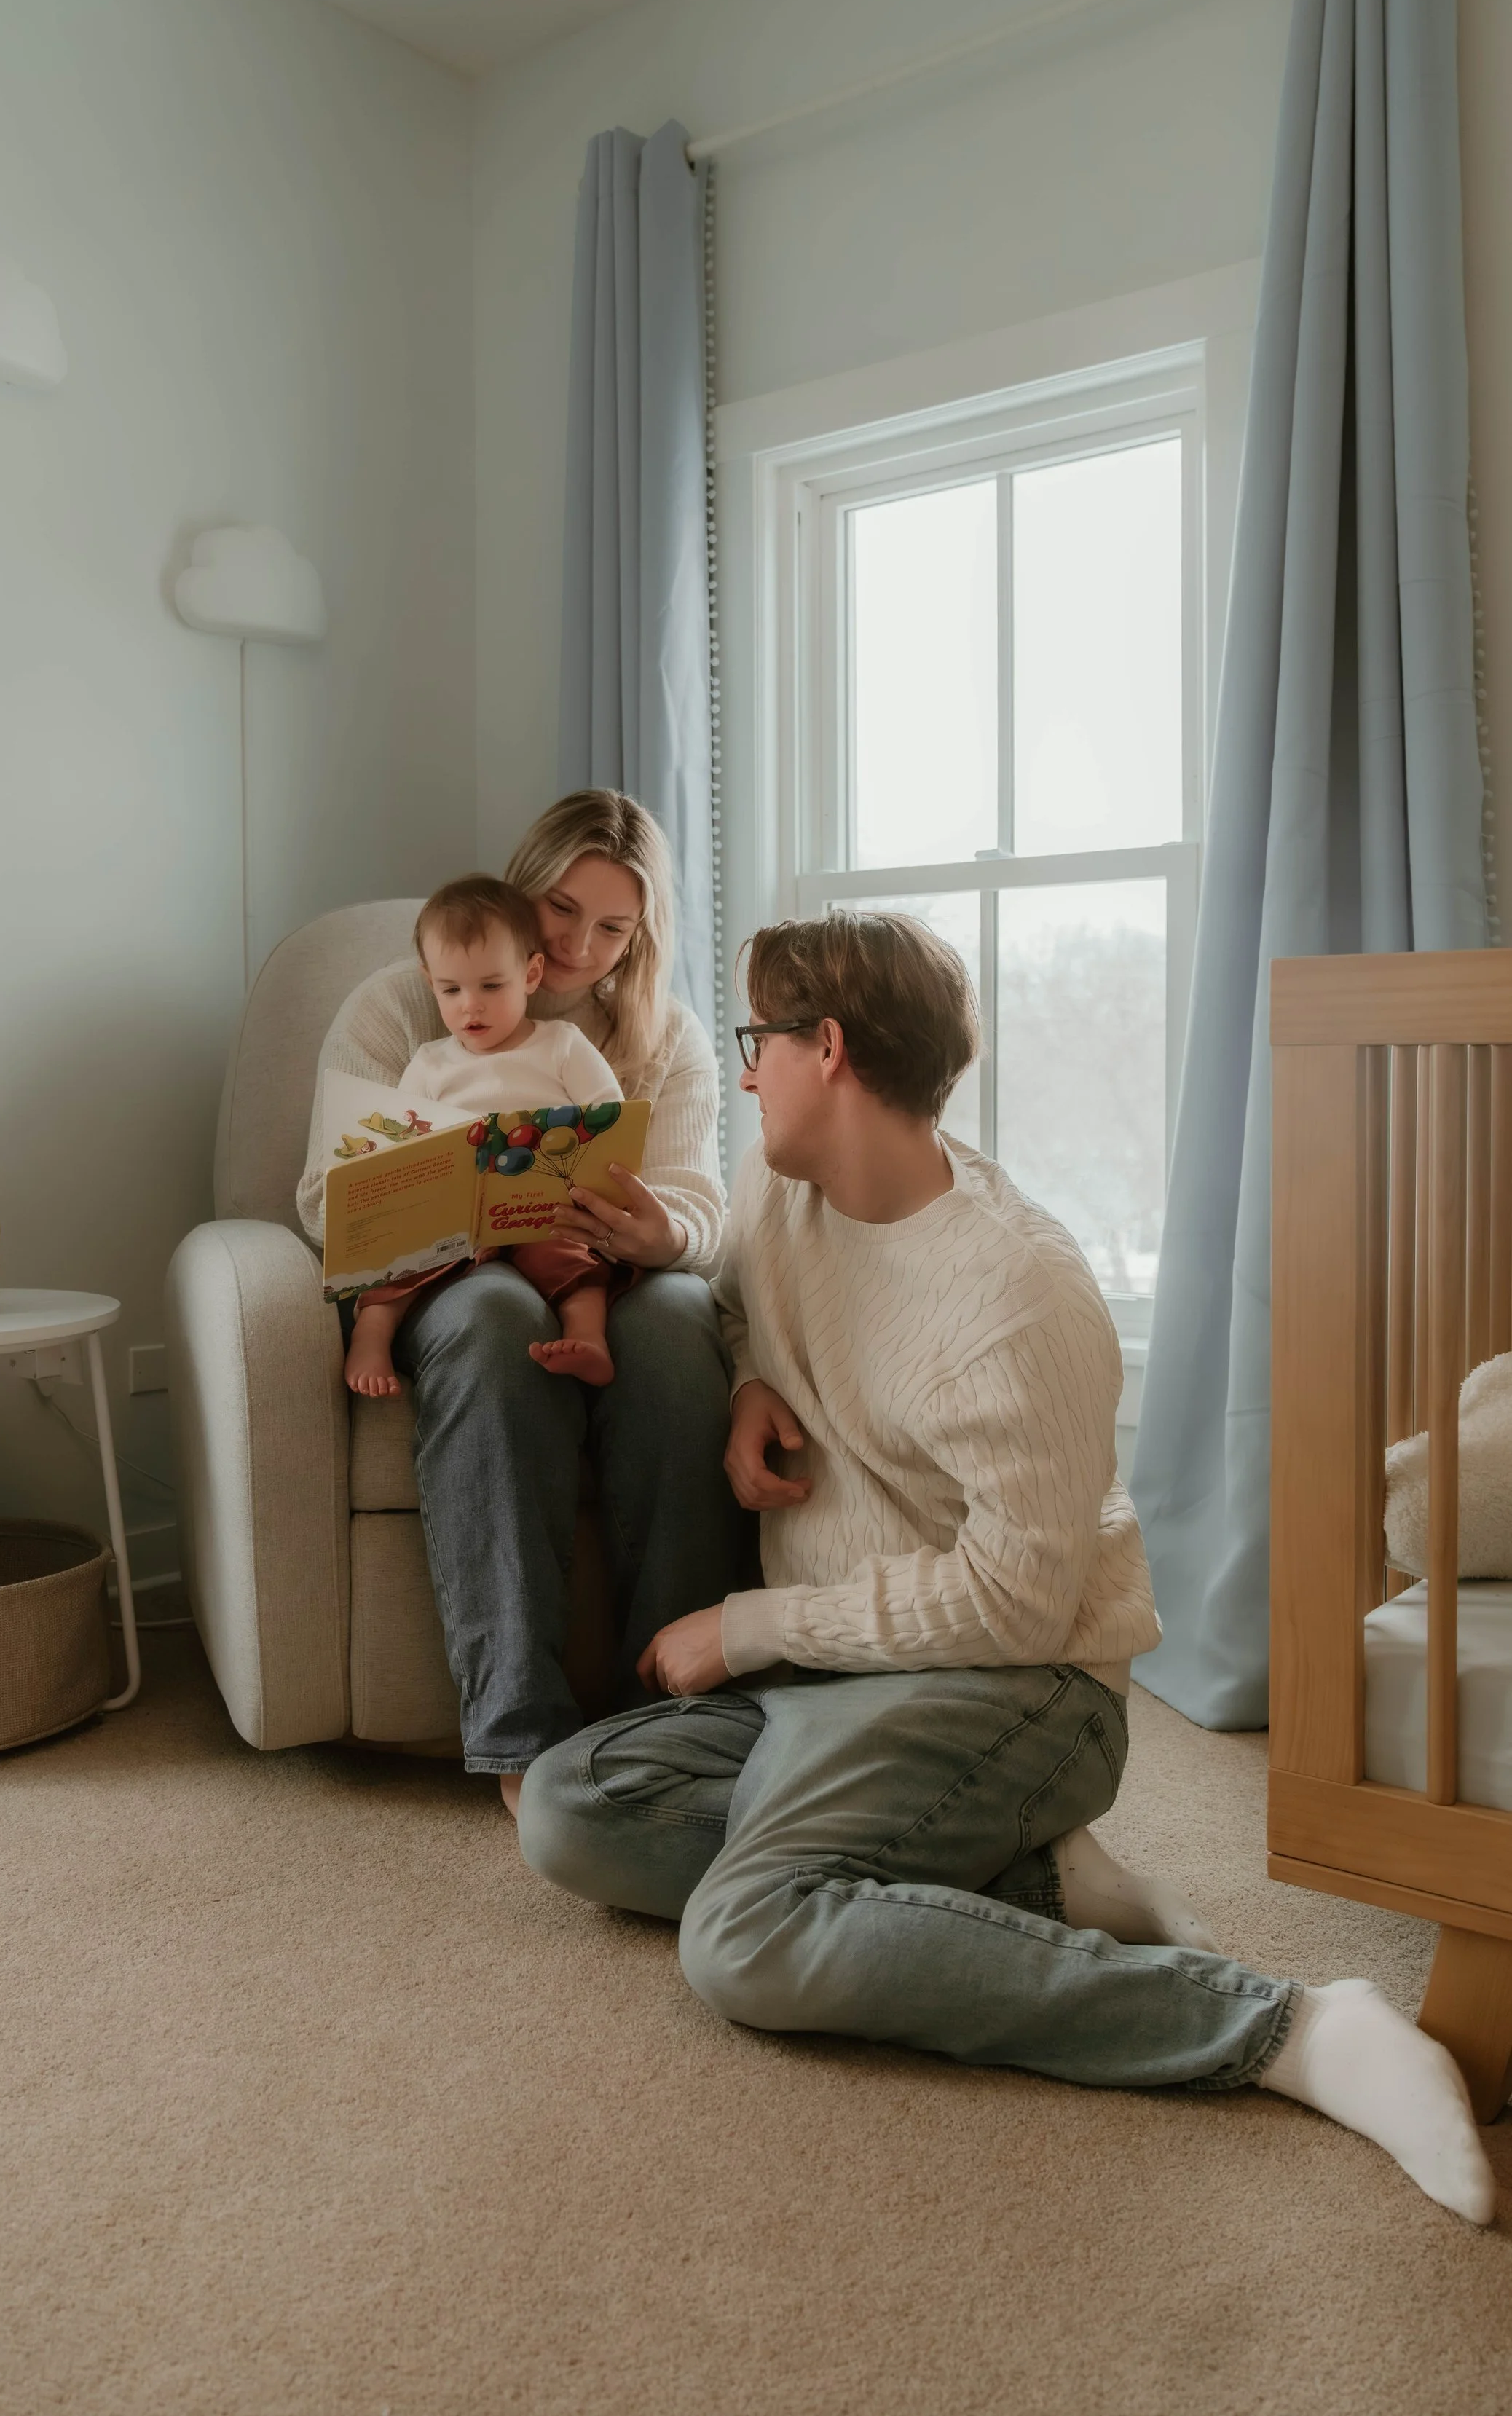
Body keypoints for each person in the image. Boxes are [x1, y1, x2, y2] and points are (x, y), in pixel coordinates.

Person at [519, 911, 1495, 2226]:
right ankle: (1031, 1881)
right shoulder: (779, 1186)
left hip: (1014, 1687)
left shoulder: (1020, 1295)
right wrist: (749, 1378)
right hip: (840, 1680)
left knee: (745, 1936)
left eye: (760, 1042)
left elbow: (1015, 1600)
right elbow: (747, 1287)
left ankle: (1295, 2028)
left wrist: (749, 1625)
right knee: (573, 1805)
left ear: (830, 1047)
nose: (742, 1071)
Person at [297, 790, 741, 1811]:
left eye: (615, 927)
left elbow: (701, 1205)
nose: (584, 945)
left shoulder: (662, 1039)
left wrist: (661, 1232)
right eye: (561, 909)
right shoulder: (403, 1005)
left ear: (644, 934)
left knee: (677, 1330)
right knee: (498, 1320)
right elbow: (324, 1201)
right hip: (449, 1275)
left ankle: (675, 1715)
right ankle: (518, 1736)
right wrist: (419, 1201)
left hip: (596, 1262)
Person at [343, 875, 629, 1397]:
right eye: (451, 990)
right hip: (455, 1219)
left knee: (576, 1265)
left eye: (491, 987)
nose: (469, 1006)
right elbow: (396, 1146)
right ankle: (372, 1333)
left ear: (531, 974)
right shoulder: (429, 1063)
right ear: (431, 983)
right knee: (402, 1259)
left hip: (545, 1210)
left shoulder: (562, 1045)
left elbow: (612, 1120)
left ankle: (587, 1338)